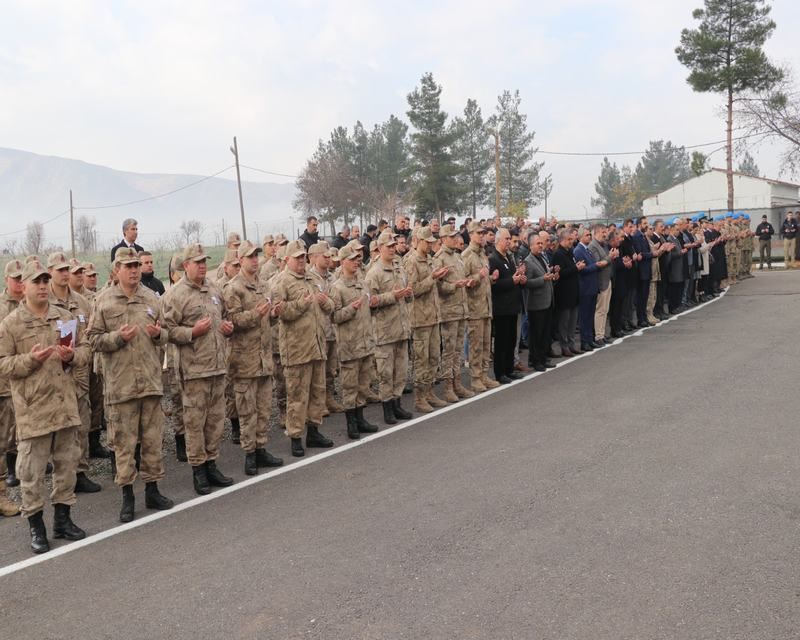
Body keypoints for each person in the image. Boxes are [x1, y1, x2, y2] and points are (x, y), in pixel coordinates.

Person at [0, 259, 89, 554]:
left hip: (64, 406)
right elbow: (3, 366)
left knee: (67, 465)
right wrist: (30, 360)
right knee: (30, 473)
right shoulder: (11, 324)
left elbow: (85, 350)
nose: (40, 286)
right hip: (33, 411)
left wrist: (71, 357)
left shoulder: (63, 317)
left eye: (43, 281)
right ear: (22, 286)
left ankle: (63, 520)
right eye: (35, 282)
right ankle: (36, 526)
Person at [87, 247, 174, 522]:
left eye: (137, 265)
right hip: (121, 386)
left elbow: (167, 333)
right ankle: (127, 497)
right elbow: (92, 340)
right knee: (124, 446)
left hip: (149, 382)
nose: (135, 270)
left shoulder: (151, 298)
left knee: (151, 441)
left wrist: (160, 334)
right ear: (117, 270)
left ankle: (152, 489)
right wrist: (116, 338)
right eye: (129, 266)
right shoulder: (103, 301)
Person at [162, 243, 235, 495]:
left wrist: (227, 327)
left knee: (215, 421)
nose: (203, 266)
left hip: (216, 366)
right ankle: (198, 470)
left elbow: (225, 316)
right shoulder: (176, 295)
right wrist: (192, 332)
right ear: (186, 266)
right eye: (198, 262)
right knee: (195, 423)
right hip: (193, 371)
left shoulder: (213, 288)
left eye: (205, 261)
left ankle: (211, 463)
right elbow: (166, 331)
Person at [221, 240, 284, 475]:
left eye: (257, 256)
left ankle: (261, 448)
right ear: (240, 260)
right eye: (250, 257)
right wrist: (256, 314)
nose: (255, 260)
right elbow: (232, 322)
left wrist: (274, 314)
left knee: (263, 408)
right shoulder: (233, 288)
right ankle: (249, 453)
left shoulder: (264, 286)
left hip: (263, 358)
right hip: (244, 360)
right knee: (247, 411)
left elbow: (270, 319)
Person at [271, 240, 334, 457]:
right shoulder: (281, 282)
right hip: (297, 350)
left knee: (318, 391)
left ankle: (314, 430)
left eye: (303, 256)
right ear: (287, 259)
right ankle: (296, 436)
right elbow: (281, 312)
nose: (301, 261)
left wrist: (325, 302)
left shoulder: (312, 278)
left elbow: (329, 306)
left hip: (316, 345)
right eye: (297, 257)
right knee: (297, 397)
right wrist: (303, 304)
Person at [48, 252, 100, 494]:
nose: (65, 273)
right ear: (50, 272)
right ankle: (61, 477)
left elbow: (88, 338)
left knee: (81, 423)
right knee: (59, 431)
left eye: (67, 268)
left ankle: (80, 472)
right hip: (52, 379)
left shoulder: (81, 302)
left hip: (78, 374)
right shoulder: (42, 302)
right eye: (60, 270)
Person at [330, 243, 379, 438]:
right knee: (350, 387)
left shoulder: (363, 283)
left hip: (365, 342)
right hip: (349, 345)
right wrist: (352, 308)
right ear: (342, 262)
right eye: (352, 259)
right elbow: (334, 317)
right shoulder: (337, 287)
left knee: (363, 384)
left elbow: (368, 310)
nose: (356, 262)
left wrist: (373, 305)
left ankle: (360, 418)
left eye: (357, 259)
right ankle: (351, 422)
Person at [366, 232, 414, 424]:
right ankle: (387, 408)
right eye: (389, 246)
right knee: (386, 373)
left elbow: (406, 293)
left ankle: (397, 403)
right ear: (379, 249)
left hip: (401, 328)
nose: (393, 249)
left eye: (394, 246)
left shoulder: (399, 268)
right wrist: (393, 296)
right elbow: (370, 301)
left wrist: (408, 293)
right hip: (385, 331)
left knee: (400, 371)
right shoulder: (374, 273)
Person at [405, 227, 449, 412]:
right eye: (427, 241)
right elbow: (412, 289)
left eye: (432, 241)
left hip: (433, 316)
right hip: (420, 319)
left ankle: (429, 392)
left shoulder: (430, 259)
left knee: (433, 358)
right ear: (418, 240)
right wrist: (432, 278)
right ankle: (420, 397)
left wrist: (438, 278)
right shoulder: (412, 261)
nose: (430, 244)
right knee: (421, 360)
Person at [433, 224, 473, 401]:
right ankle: (448, 386)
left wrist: (465, 283)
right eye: (451, 237)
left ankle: (457, 383)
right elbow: (437, 286)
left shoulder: (457, 257)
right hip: (448, 310)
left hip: (461, 309)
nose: (455, 239)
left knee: (457, 350)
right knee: (449, 351)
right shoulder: (439, 258)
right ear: (442, 239)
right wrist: (453, 286)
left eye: (455, 236)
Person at [461, 222, 500, 392]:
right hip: (474, 308)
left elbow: (484, 280)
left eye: (484, 233)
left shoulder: (483, 255)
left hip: (486, 306)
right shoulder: (467, 255)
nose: (483, 236)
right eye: (479, 233)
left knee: (485, 344)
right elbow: (464, 282)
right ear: (471, 234)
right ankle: (475, 378)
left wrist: (491, 278)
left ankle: (484, 375)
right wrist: (479, 276)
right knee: (475, 345)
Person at [307, 241, 343, 414]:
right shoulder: (310, 278)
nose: (329, 259)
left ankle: (329, 398)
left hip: (332, 329)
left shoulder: (332, 277)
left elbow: (335, 302)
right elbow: (317, 302)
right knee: (318, 371)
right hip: (318, 330)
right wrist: (327, 301)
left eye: (329, 256)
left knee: (331, 369)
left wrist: (327, 300)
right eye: (325, 256)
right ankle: (318, 403)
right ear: (314, 258)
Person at [0, 259, 24, 515]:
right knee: (2, 439)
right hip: (4, 385)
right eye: (15, 278)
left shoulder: (29, 305)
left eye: (22, 278)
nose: (19, 282)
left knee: (19, 435)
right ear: (7, 280)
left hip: (25, 383)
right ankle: (1, 495)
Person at [489, 228, 526, 383]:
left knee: (511, 340)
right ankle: (500, 372)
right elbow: (494, 285)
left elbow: (513, 279)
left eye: (510, 239)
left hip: (512, 305)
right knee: (502, 341)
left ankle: (509, 369)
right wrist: (512, 280)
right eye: (506, 239)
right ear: (498, 240)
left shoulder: (508, 258)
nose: (509, 242)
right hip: (501, 307)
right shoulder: (494, 259)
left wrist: (520, 278)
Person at [523, 233, 557, 371]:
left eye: (541, 243)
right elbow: (527, 283)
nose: (541, 246)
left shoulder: (542, 258)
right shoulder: (528, 261)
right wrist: (543, 279)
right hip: (536, 303)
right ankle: (536, 360)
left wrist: (552, 274)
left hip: (547, 301)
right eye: (537, 244)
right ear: (531, 245)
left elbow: (546, 275)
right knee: (536, 334)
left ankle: (543, 358)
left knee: (544, 333)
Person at [552, 229, 585, 357]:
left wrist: (577, 266)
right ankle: (564, 346)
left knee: (572, 321)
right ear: (562, 240)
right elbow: (560, 273)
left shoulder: (570, 252)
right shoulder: (558, 254)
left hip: (573, 291)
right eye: (569, 240)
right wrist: (575, 268)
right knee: (564, 323)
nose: (572, 242)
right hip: (564, 293)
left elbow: (571, 269)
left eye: (572, 239)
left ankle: (571, 344)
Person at [574, 227, 607, 351]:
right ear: (581, 237)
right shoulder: (578, 251)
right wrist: (597, 265)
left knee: (589, 315)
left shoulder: (587, 250)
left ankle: (590, 339)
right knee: (584, 316)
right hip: (585, 287)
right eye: (587, 235)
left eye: (589, 235)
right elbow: (582, 270)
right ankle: (584, 342)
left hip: (592, 286)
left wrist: (595, 266)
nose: (589, 237)